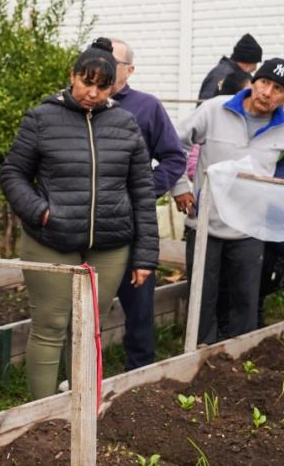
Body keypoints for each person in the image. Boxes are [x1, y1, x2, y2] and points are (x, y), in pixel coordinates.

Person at [0, 40, 158, 399]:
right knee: (51, 325)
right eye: (86, 82)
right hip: (49, 239)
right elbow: (12, 173)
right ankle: (41, 416)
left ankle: (82, 407)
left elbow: (142, 192)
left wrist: (146, 255)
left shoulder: (125, 124)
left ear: (113, 86)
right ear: (72, 76)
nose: (92, 92)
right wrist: (40, 212)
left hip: (110, 244)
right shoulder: (41, 118)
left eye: (102, 86)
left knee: (88, 328)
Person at [172, 58, 284, 344]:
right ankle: (198, 353)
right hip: (205, 223)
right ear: (253, 82)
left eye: (277, 89)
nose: (267, 93)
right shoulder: (214, 110)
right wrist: (179, 186)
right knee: (202, 295)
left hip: (249, 228)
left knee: (244, 298)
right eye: (263, 83)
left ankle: (239, 357)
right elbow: (175, 144)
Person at [104, 37, 185, 370]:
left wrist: (142, 190)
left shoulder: (146, 107)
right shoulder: (79, 103)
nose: (105, 69)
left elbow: (173, 157)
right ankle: (79, 374)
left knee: (139, 301)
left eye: (114, 63)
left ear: (130, 70)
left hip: (134, 222)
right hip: (88, 222)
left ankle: (139, 373)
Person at [198, 34, 262, 100]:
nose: (255, 68)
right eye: (255, 63)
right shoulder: (222, 74)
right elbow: (207, 101)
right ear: (247, 60)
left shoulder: (243, 75)